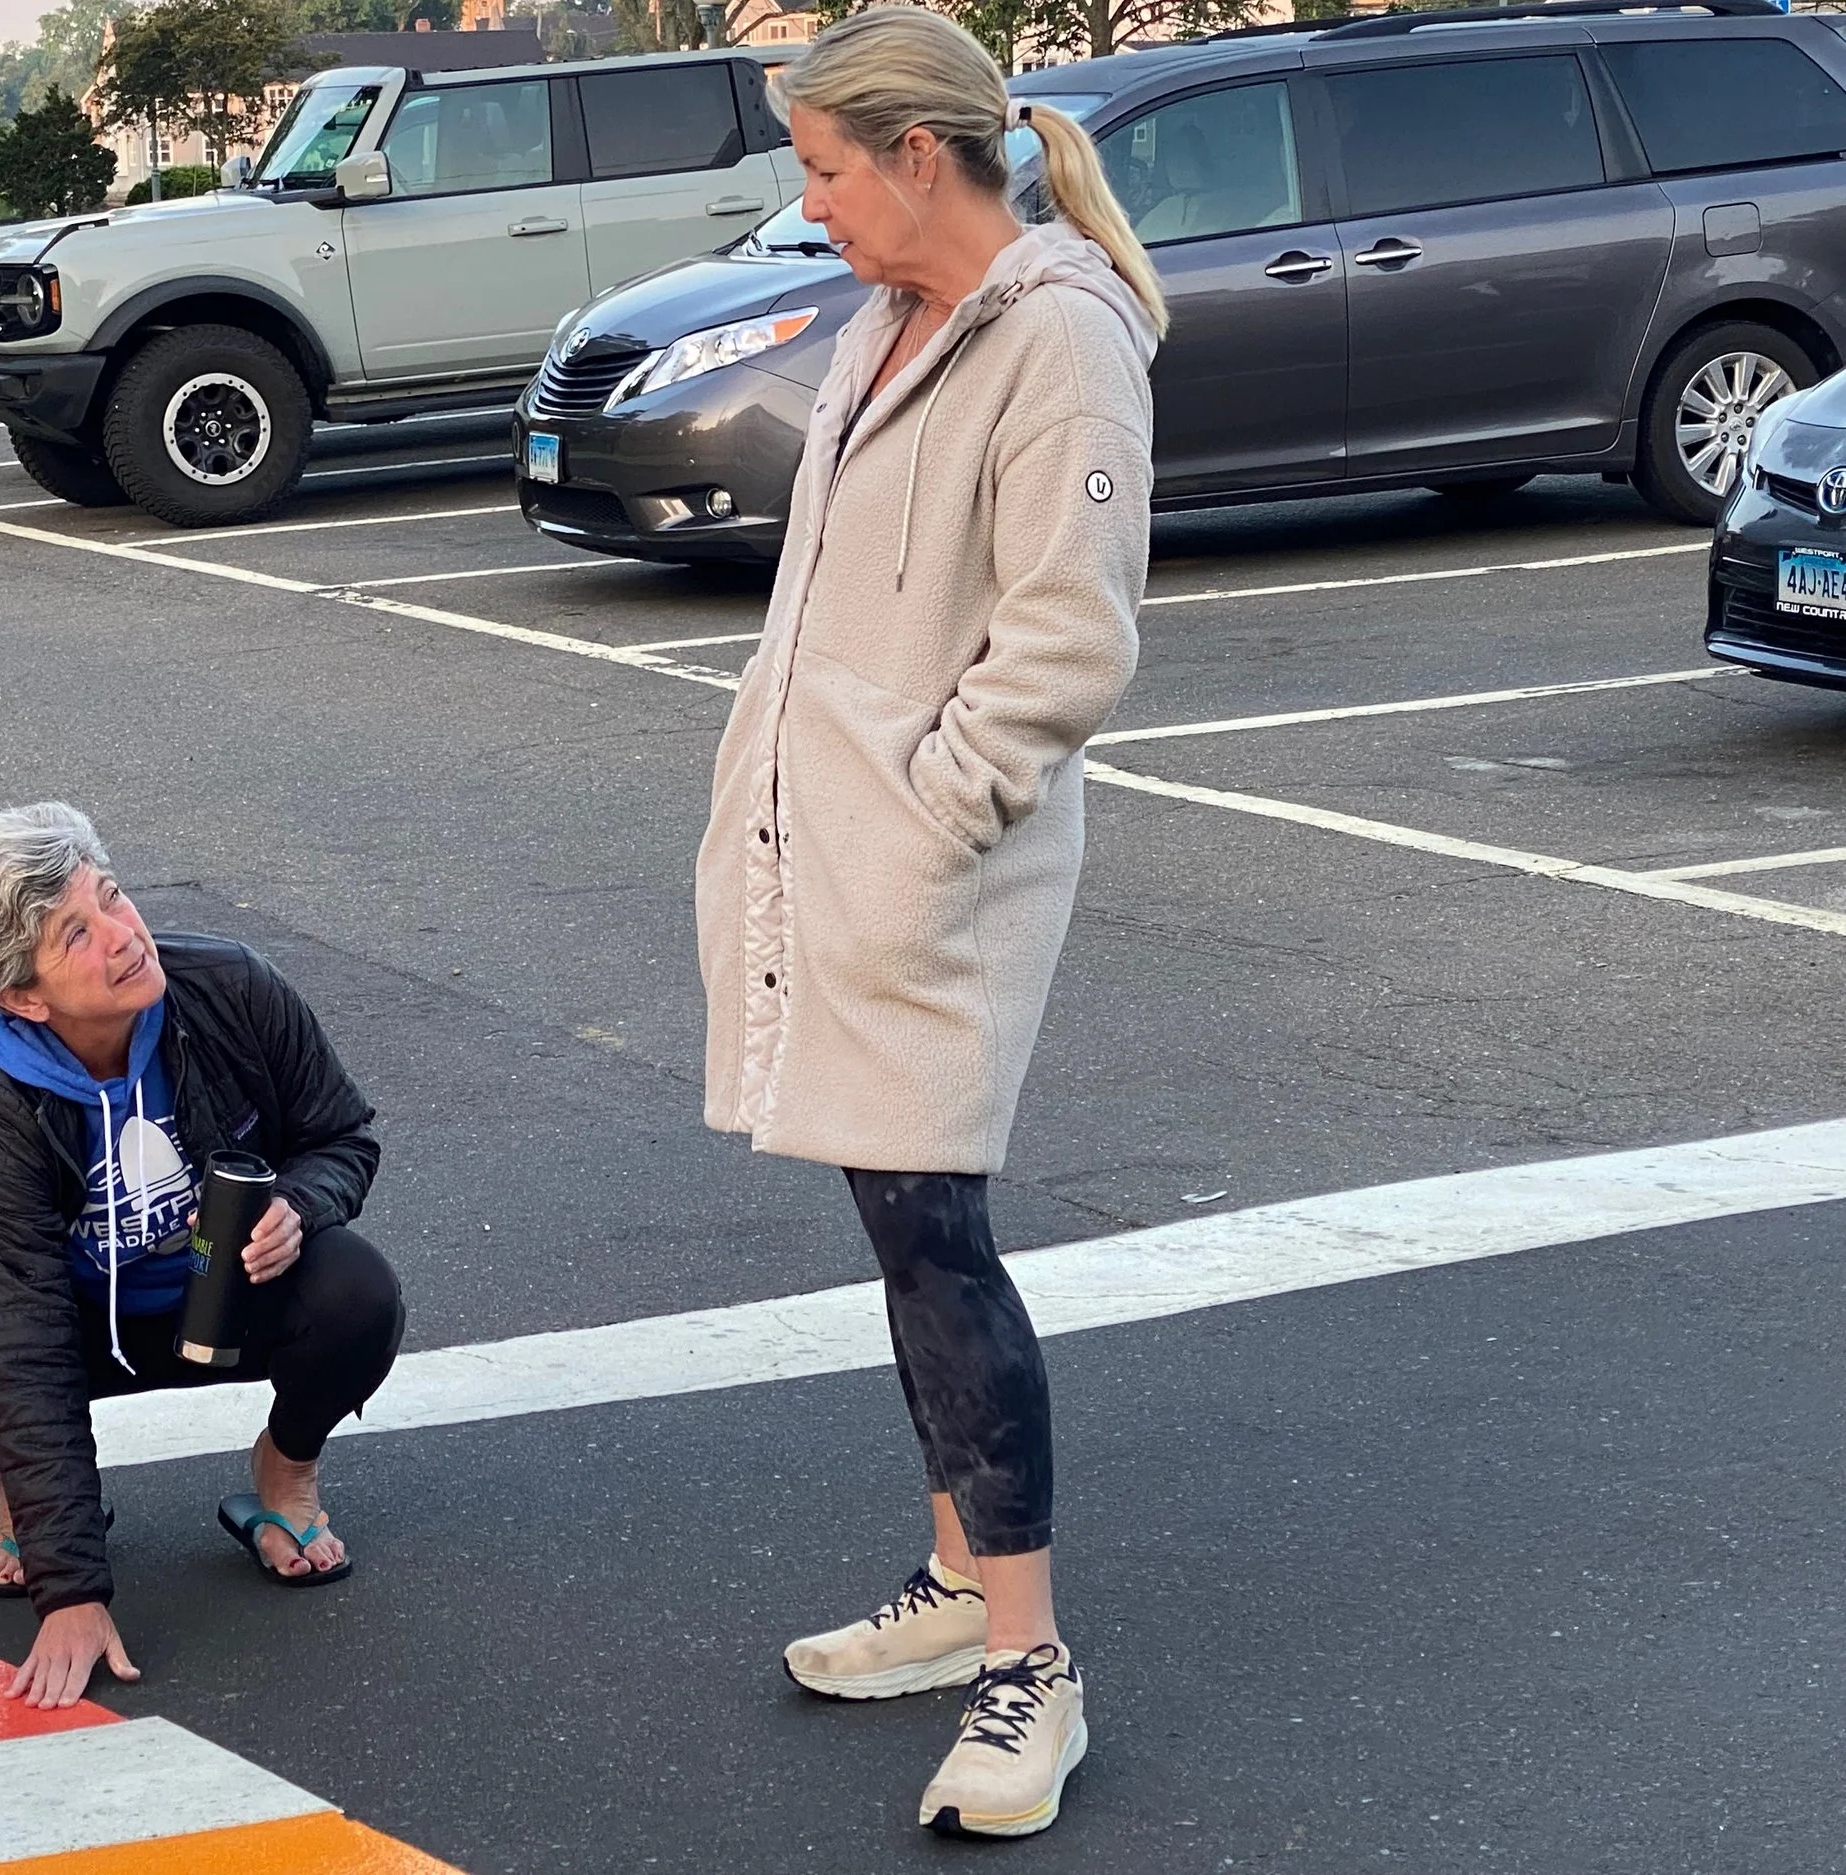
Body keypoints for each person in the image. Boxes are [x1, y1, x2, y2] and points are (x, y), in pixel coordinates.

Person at [693, 9, 1165, 1841]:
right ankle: (960, 1578)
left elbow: (1070, 639)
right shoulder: (893, 323)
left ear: (914, 154)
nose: (805, 209)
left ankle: (1028, 1662)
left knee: (938, 1233)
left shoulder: (1058, 339)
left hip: (938, 873)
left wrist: (926, 812)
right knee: (900, 1226)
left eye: (821, 170)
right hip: (836, 850)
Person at [0, 803, 405, 1709]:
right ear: (24, 997)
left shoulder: (231, 987)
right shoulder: (6, 1103)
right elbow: (20, 1333)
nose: (124, 936)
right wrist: (70, 1586)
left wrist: (299, 1203)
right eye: (76, 933)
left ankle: (285, 1466)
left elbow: (342, 1136)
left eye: (113, 896)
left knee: (358, 1292)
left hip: (225, 1303)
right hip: (79, 1327)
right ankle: (25, 1495)